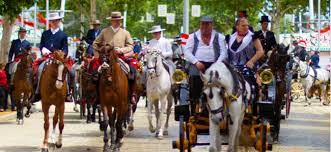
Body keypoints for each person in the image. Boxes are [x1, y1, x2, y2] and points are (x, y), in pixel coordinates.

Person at [184, 16, 227, 114]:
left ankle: (219, 102)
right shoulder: (192, 37)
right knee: (194, 77)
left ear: (212, 25)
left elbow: (224, 52)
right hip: (198, 64)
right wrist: (196, 62)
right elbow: (187, 52)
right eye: (203, 24)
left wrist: (217, 64)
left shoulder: (219, 37)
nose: (205, 26)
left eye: (207, 24)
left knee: (221, 78)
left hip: (215, 64)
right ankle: (196, 101)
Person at [93, 11, 137, 103]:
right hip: (106, 58)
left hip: (120, 58)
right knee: (95, 74)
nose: (117, 22)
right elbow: (95, 44)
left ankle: (131, 95)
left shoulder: (125, 33)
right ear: (111, 21)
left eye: (119, 20)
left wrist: (121, 50)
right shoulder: (104, 31)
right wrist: (98, 55)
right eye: (115, 20)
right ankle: (98, 96)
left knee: (132, 72)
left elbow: (131, 46)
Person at [225, 17, 264, 103]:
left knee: (251, 81)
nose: (246, 27)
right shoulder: (230, 38)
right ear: (237, 27)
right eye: (243, 25)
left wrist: (251, 61)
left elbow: (260, 51)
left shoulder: (253, 37)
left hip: (248, 66)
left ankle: (252, 103)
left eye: (247, 25)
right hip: (232, 66)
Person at [34, 12, 68, 102]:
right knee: (40, 69)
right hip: (47, 58)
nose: (54, 22)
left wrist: (62, 53)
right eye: (52, 21)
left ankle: (67, 91)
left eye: (56, 21)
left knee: (66, 70)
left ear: (59, 21)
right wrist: (44, 51)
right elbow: (41, 45)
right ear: (50, 22)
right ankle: (37, 90)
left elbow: (65, 48)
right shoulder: (45, 33)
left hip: (59, 59)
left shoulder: (63, 35)